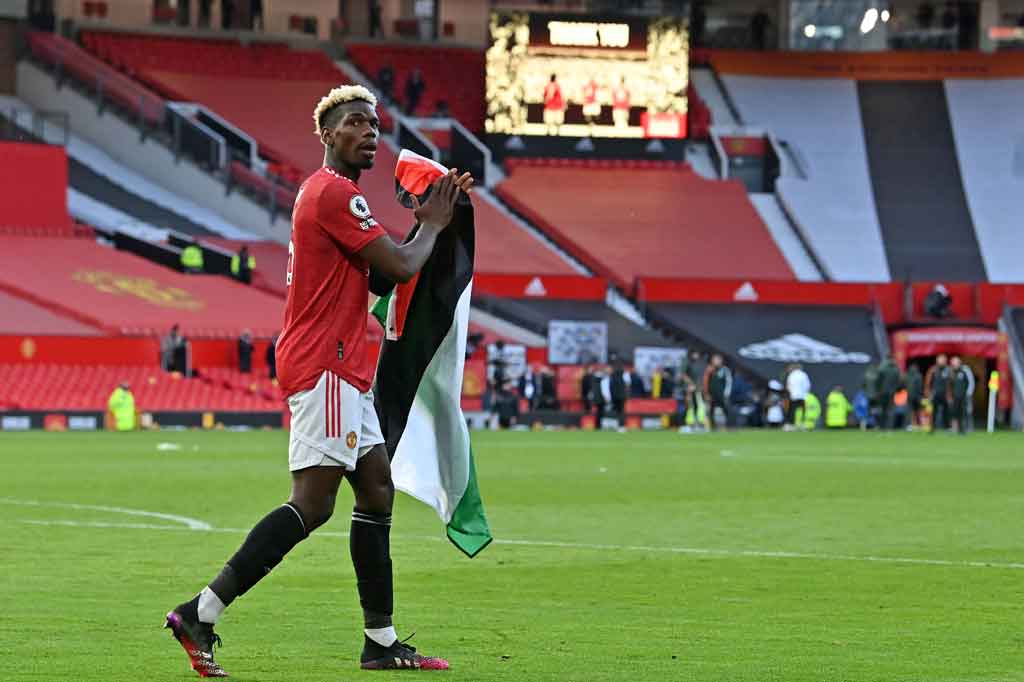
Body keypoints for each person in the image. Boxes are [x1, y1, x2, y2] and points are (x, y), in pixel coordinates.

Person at [163, 84, 473, 676]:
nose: (370, 133)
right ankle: (201, 611)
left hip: (346, 366)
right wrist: (430, 226)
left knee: (377, 489)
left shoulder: (337, 198)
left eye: (375, 124)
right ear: (328, 135)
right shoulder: (334, 193)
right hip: (326, 364)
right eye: (356, 123)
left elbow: (383, 280)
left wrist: (426, 225)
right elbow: (404, 266)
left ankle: (379, 642)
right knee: (312, 503)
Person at [703, 353, 732, 431]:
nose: (716, 361)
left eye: (718, 360)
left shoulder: (725, 370)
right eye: (715, 359)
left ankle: (729, 426)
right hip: (712, 395)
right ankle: (712, 427)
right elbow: (706, 382)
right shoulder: (709, 370)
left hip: (722, 395)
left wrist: (726, 394)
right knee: (710, 411)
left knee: (726, 410)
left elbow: (729, 382)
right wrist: (707, 393)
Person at [925, 353, 953, 433]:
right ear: (937, 361)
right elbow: (928, 382)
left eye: (943, 360)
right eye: (940, 360)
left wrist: (950, 395)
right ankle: (932, 428)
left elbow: (952, 383)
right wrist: (928, 393)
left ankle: (947, 428)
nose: (942, 361)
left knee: (947, 412)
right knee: (934, 412)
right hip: (935, 394)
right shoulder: (933, 370)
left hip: (945, 394)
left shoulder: (948, 370)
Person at [876, 355, 903, 430]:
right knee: (890, 409)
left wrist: (878, 390)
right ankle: (890, 427)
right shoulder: (896, 368)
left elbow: (878, 380)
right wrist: (897, 390)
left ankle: (882, 427)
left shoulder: (882, 367)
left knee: (883, 409)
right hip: (892, 392)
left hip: (882, 392)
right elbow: (899, 381)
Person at [950, 356, 975, 435]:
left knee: (967, 411)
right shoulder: (952, 372)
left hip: (965, 396)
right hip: (955, 396)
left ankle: (968, 428)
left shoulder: (965, 370)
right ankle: (956, 428)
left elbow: (971, 382)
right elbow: (950, 384)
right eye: (952, 364)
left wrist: (968, 393)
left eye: (955, 363)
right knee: (955, 412)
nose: (954, 365)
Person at [785, 363, 811, 431]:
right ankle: (802, 425)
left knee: (792, 411)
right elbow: (807, 385)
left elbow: (788, 385)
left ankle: (790, 426)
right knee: (803, 411)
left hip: (793, 396)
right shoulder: (804, 374)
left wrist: (791, 392)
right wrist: (805, 393)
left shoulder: (792, 375)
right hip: (802, 396)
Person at [905, 364, 924, 429]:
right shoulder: (919, 376)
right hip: (917, 396)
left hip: (910, 396)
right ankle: (919, 424)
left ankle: (910, 425)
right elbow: (920, 387)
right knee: (918, 411)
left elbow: (904, 385)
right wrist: (921, 395)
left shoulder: (907, 375)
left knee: (910, 411)